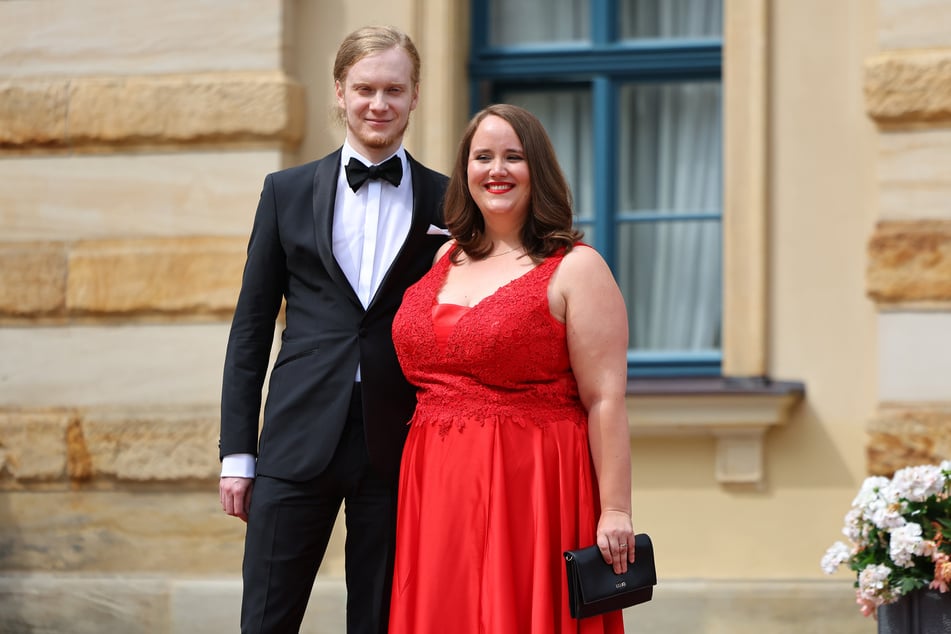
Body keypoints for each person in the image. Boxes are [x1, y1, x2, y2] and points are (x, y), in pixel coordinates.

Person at [217, 25, 449, 634]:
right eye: (366, 88)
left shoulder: (450, 203)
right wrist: (238, 455)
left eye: (394, 90)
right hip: (294, 439)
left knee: (380, 620)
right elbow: (250, 330)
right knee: (266, 619)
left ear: (415, 96)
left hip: (400, 440)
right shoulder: (285, 192)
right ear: (341, 91)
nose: (380, 104)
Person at [387, 103, 635, 633]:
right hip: (435, 483)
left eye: (513, 157)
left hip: (532, 483)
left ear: (537, 171)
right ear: (466, 171)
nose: (496, 170)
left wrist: (615, 510)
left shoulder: (576, 267)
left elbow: (606, 399)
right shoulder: (444, 258)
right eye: (483, 157)